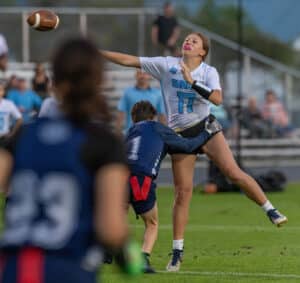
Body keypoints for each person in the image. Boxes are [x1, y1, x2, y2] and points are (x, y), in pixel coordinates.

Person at [100, 32, 288, 272]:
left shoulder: (208, 72)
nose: (188, 41)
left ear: (202, 52)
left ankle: (270, 210)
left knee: (233, 172)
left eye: (195, 41)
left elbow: (218, 100)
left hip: (206, 127)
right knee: (183, 192)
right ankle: (177, 252)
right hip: (180, 134)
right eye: (187, 39)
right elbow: (129, 60)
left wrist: (192, 82)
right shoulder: (167, 65)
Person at [0, 37, 143, 283]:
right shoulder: (103, 142)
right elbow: (111, 230)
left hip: (12, 269)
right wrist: (129, 257)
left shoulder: (25, 134)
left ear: (55, 81)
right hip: (66, 269)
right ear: (98, 80)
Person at [127, 100, 221, 273]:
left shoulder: (130, 131)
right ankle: (142, 259)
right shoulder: (157, 128)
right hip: (142, 179)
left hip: (120, 177)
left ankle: (107, 251)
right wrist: (207, 132)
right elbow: (187, 146)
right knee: (152, 223)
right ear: (153, 117)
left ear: (133, 118)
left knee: (117, 217)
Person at [116, 69, 166, 133]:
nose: (142, 76)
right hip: (131, 133)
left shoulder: (158, 94)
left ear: (150, 75)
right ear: (136, 75)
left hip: (151, 134)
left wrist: (164, 134)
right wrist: (118, 132)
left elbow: (162, 116)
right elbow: (121, 114)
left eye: (145, 73)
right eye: (139, 73)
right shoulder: (127, 93)